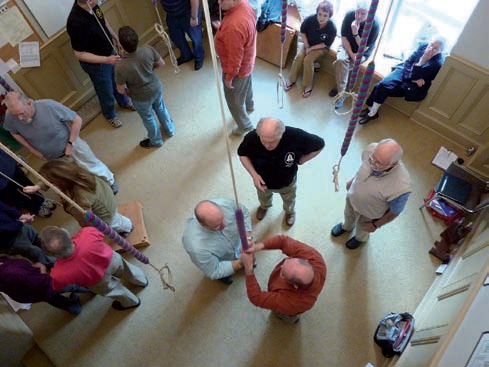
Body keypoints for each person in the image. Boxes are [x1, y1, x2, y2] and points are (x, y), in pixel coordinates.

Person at [4, 92, 118, 194]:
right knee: (71, 176)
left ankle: (110, 180)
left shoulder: (48, 106)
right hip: (52, 156)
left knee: (91, 165)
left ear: (29, 103)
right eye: (16, 115)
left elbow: (77, 120)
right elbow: (13, 132)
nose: (19, 118)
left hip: (71, 146)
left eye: (22, 113)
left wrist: (70, 144)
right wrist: (31, 149)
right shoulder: (11, 116)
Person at [237, 117, 324, 226]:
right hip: (262, 181)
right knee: (263, 197)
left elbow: (320, 144)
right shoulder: (252, 137)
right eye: (263, 141)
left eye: (272, 141)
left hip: (287, 181)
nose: (267, 145)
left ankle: (290, 212)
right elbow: (242, 154)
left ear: (281, 134)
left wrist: (302, 160)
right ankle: (264, 206)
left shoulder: (296, 136)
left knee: (289, 199)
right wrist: (254, 175)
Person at [41, 226, 148, 311]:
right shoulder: (87, 233)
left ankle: (131, 302)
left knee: (114, 290)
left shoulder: (58, 273)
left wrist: (44, 272)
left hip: (97, 281)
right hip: (111, 260)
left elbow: (57, 286)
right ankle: (141, 280)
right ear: (67, 234)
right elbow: (101, 233)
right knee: (127, 270)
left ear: (52, 255)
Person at [331, 139, 412, 249]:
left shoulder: (401, 187)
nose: (373, 163)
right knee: (348, 214)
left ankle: (360, 238)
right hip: (353, 197)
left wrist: (375, 225)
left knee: (362, 228)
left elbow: (394, 212)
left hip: (370, 212)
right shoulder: (370, 150)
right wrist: (352, 181)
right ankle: (346, 226)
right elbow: (363, 168)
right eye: (373, 157)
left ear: (394, 164)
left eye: (379, 163)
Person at [67, 0, 135, 128]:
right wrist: (106, 60)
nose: (97, 1)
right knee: (105, 91)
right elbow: (79, 54)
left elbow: (104, 23)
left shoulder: (93, 5)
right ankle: (110, 115)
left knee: (118, 80)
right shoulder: (75, 22)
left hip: (109, 53)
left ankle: (124, 102)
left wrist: (116, 39)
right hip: (97, 65)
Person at [24, 158, 132, 235]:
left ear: (59, 182)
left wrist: (87, 230)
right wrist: (37, 186)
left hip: (106, 214)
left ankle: (128, 228)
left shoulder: (77, 200)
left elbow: (86, 221)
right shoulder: (76, 172)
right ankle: (124, 225)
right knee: (115, 218)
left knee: (116, 223)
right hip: (106, 198)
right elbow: (52, 176)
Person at [240, 235, 326, 324]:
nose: (281, 266)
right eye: (287, 260)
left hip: (289, 308)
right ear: (306, 261)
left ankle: (289, 318)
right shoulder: (314, 257)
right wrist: (258, 247)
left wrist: (248, 269)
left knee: (286, 315)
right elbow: (283, 241)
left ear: (295, 286)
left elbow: (256, 297)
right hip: (282, 291)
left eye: (282, 273)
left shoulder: (293, 303)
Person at [359, 37, 446, 125]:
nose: (431, 49)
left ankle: (372, 113)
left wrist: (422, 61)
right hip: (406, 71)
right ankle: (371, 108)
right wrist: (413, 77)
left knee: (381, 87)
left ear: (440, 51)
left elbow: (415, 75)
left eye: (435, 48)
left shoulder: (437, 63)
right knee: (382, 85)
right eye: (431, 45)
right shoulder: (423, 45)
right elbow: (408, 62)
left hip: (413, 84)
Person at [115, 26, 175, 149]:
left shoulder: (120, 66)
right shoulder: (148, 49)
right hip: (156, 87)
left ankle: (156, 140)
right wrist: (149, 69)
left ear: (121, 45)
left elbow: (120, 89)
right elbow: (161, 63)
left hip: (139, 97)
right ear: (137, 38)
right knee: (161, 108)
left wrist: (128, 92)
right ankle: (170, 129)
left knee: (148, 118)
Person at [182, 198, 252, 285]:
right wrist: (242, 262)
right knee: (224, 274)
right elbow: (214, 270)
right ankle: (226, 277)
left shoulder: (225, 203)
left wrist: (247, 239)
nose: (225, 225)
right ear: (203, 225)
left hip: (239, 244)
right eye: (217, 226)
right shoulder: (195, 247)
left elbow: (244, 213)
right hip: (224, 261)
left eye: (223, 218)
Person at [215, 0, 257, 136]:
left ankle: (245, 125)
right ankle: (250, 105)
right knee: (246, 85)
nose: (218, 2)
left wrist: (229, 77)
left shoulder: (234, 26)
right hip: (248, 61)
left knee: (233, 100)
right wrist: (223, 29)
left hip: (237, 70)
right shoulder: (245, 5)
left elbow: (234, 59)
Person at [330, 0, 380, 109]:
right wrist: (352, 55)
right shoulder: (349, 15)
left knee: (342, 65)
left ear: (369, 13)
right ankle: (342, 93)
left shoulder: (375, 24)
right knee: (340, 61)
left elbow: (364, 47)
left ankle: (339, 88)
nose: (359, 16)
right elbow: (343, 37)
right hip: (346, 45)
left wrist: (355, 33)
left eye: (363, 14)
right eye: (357, 12)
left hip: (362, 51)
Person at [284, 1, 337, 98]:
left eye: (325, 15)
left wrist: (311, 49)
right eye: (320, 14)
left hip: (321, 47)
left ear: (329, 16)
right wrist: (307, 46)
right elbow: (303, 32)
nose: (321, 18)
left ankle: (308, 85)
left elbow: (325, 44)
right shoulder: (310, 19)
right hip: (307, 42)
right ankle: (292, 79)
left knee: (308, 60)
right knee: (299, 56)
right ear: (317, 13)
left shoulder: (332, 28)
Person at [0, 256, 85, 315]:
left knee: (51, 298)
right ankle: (90, 288)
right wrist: (42, 268)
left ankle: (74, 308)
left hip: (27, 294)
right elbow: (43, 283)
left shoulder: (7, 269)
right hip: (41, 286)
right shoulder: (13, 272)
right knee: (68, 286)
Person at [0, 149, 56, 218]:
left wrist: (15, 159)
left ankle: (41, 199)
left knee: (26, 184)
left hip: (7, 166)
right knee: (15, 197)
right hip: (1, 185)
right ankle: (35, 208)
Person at [0, 200, 54, 267]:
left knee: (41, 240)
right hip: (10, 240)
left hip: (20, 225)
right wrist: (19, 223)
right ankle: (56, 265)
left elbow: (5, 208)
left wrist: (20, 216)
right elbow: (2, 229)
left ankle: (59, 253)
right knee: (36, 252)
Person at [159, 0, 205, 70]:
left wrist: (194, 17)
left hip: (188, 11)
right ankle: (186, 55)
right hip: (172, 14)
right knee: (175, 36)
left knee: (195, 37)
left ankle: (199, 57)